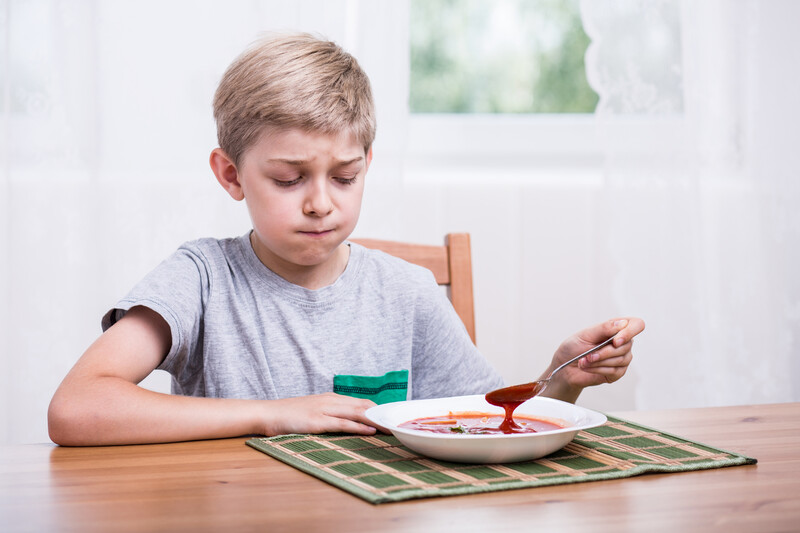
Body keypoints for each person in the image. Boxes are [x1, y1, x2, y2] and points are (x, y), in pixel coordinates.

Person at [47, 33, 645, 446]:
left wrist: (563, 376)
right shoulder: (201, 278)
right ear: (231, 175)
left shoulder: (406, 292)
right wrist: (271, 416)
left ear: (367, 164)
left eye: (344, 176)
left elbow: (489, 421)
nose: (320, 201)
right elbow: (76, 408)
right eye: (288, 178)